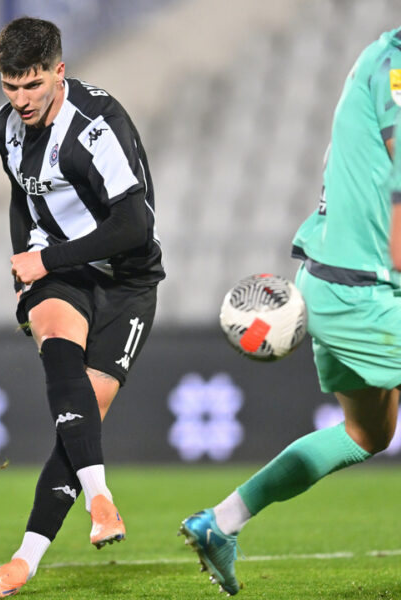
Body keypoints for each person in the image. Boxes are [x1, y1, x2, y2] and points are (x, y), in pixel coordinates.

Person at [180, 27, 401, 596]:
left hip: (329, 282)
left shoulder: (381, 56)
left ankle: (221, 521)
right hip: (369, 291)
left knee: (365, 434)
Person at [0, 16, 164, 598]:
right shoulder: (5, 128)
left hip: (128, 282)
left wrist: (43, 262)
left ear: (60, 71)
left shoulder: (96, 127)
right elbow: (17, 195)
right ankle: (92, 503)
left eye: (32, 85)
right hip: (63, 273)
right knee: (60, 360)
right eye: (9, 86)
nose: (20, 100)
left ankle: (31, 554)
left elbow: (135, 224)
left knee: (76, 428)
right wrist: (23, 262)